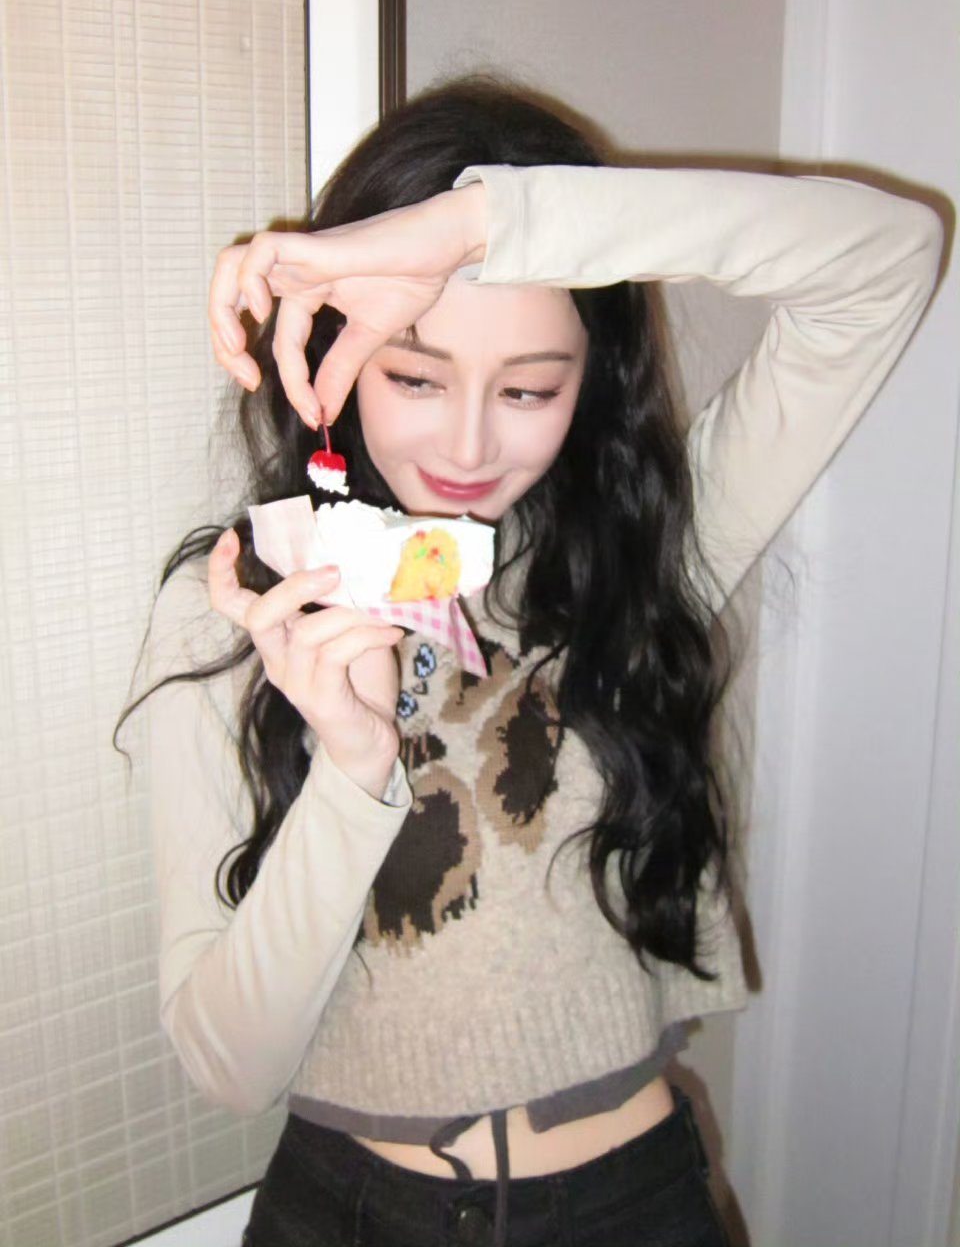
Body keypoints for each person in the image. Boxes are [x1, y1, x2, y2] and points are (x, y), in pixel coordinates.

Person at [120, 78, 942, 1246]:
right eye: (415, 376)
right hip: (345, 1212)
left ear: (590, 382)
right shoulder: (236, 608)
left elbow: (889, 257)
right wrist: (352, 768)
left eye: (528, 388)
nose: (467, 444)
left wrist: (487, 226)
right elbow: (228, 1064)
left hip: (631, 1205)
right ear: (335, 357)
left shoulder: (647, 554)